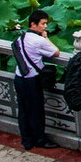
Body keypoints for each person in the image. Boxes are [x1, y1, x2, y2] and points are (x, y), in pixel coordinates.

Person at [12, 10, 61, 151]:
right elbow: (56, 52)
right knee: (36, 111)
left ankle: (27, 140)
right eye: (43, 24)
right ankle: (40, 139)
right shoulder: (39, 40)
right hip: (31, 80)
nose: (45, 26)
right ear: (33, 24)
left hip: (19, 78)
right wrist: (46, 38)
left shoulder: (21, 38)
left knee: (23, 111)